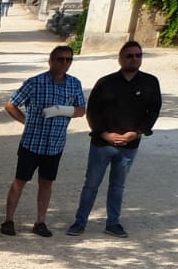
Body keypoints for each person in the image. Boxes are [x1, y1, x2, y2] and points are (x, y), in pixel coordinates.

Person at [67, 41, 161, 237]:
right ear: (120, 59)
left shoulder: (150, 82)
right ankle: (80, 222)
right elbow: (92, 111)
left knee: (118, 186)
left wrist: (136, 133)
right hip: (102, 143)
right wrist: (104, 133)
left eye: (138, 55)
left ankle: (113, 223)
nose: (134, 59)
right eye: (129, 55)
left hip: (129, 144)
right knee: (91, 184)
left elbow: (153, 111)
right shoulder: (105, 83)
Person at [0, 46, 84, 237]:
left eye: (69, 59)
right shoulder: (35, 82)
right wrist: (25, 121)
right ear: (51, 61)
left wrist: (62, 110)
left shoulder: (74, 84)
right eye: (60, 59)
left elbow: (81, 110)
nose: (65, 63)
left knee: (46, 183)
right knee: (20, 181)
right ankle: (8, 220)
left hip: (55, 144)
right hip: (32, 142)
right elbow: (10, 104)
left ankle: (40, 222)